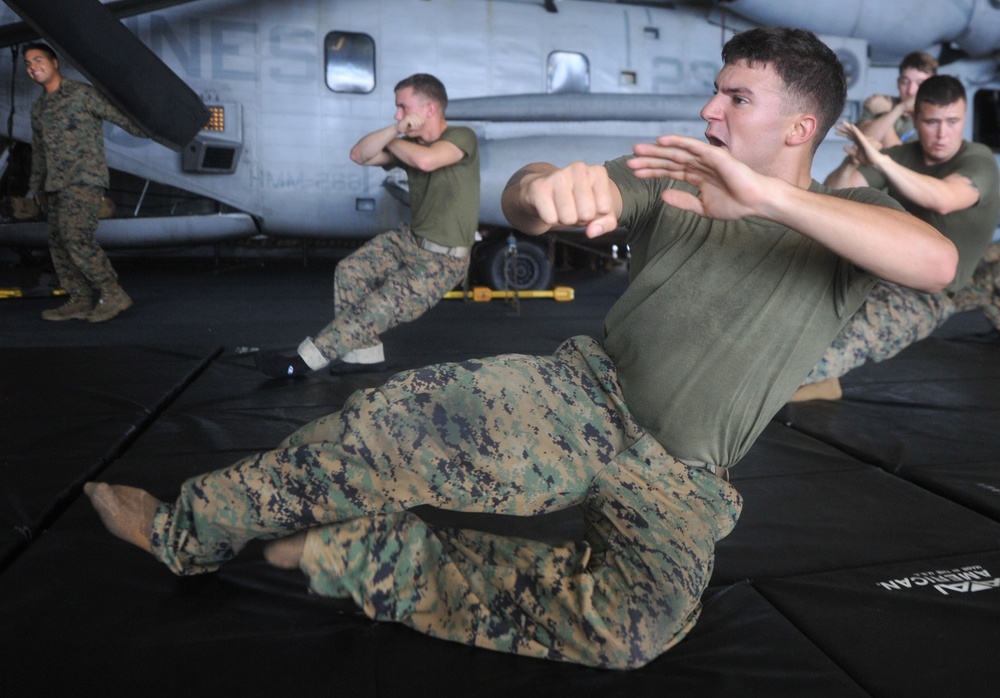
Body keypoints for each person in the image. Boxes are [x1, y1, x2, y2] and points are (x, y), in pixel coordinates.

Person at [84, 27, 956, 669]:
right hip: (586, 400)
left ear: (799, 128)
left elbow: (937, 260)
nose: (709, 108)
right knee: (389, 429)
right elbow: (528, 192)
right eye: (714, 89)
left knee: (634, 632)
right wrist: (549, 190)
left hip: (684, 473)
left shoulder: (852, 227)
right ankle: (183, 532)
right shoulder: (673, 179)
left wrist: (765, 201)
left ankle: (372, 562)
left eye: (737, 97)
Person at [255, 73, 480, 376]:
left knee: (375, 308)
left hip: (442, 260)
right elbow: (358, 154)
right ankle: (364, 356)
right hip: (410, 240)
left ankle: (301, 363)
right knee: (351, 271)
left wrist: (396, 139)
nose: (397, 114)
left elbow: (427, 161)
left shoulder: (462, 137)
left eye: (403, 107)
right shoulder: (407, 144)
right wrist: (397, 131)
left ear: (429, 109)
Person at [792, 75, 1000, 401]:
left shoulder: (978, 159)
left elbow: (943, 198)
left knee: (846, 343)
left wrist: (883, 161)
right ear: (916, 120)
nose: (943, 133)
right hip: (882, 268)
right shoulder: (904, 157)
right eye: (932, 122)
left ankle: (794, 381)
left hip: (930, 290)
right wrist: (856, 159)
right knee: (798, 306)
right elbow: (837, 190)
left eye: (953, 121)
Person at [24, 42, 148, 323]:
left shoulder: (82, 94)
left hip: (84, 178)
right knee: (58, 241)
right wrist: (36, 186)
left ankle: (112, 292)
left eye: (38, 59)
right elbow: (39, 150)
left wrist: (156, 128)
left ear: (55, 63)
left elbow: (122, 117)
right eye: (28, 64)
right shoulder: (39, 107)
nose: (33, 67)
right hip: (54, 184)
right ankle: (79, 299)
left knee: (76, 236)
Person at [858, 51, 938, 149]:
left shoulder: (936, 118)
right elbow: (862, 142)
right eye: (905, 82)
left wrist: (887, 112)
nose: (911, 91)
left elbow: (901, 160)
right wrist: (897, 111)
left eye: (920, 84)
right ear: (898, 83)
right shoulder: (879, 101)